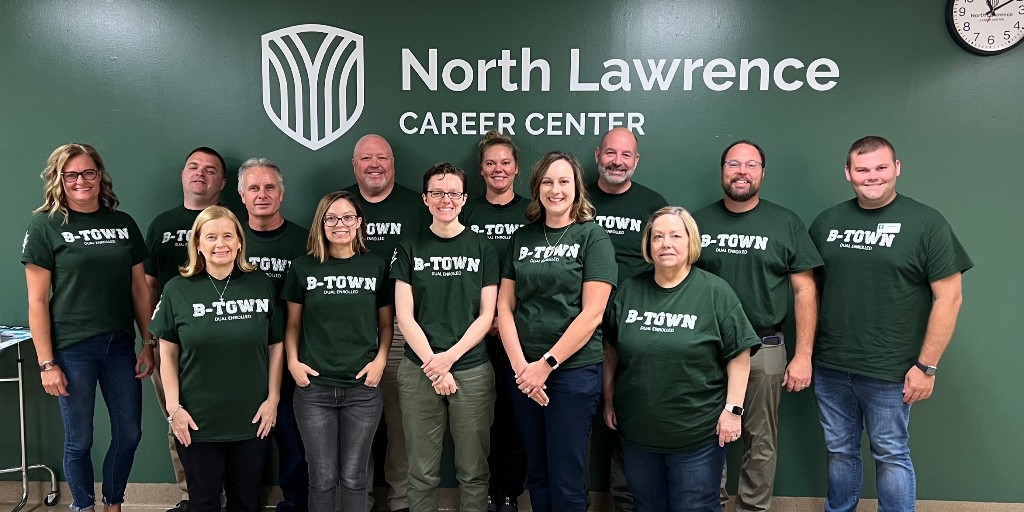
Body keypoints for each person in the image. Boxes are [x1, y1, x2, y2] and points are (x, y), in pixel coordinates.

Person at [808, 136, 972, 512]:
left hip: (892, 369)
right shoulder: (827, 222)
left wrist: (926, 366)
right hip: (832, 365)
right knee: (838, 452)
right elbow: (808, 293)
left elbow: (950, 297)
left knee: (891, 454)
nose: (872, 177)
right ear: (848, 173)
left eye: (881, 168)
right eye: (862, 169)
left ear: (897, 168)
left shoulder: (927, 223)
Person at [22, 143, 155, 512]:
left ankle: (113, 504)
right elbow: (36, 301)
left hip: (120, 345)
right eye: (71, 175)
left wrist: (149, 341)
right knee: (79, 440)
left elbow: (139, 289)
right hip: (72, 349)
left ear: (100, 176)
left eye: (88, 173)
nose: (81, 181)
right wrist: (46, 363)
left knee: (129, 434)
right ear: (59, 180)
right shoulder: (45, 226)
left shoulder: (122, 223)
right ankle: (84, 506)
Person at [691, 140, 822, 512]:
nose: (742, 171)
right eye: (734, 163)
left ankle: (753, 509)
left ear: (763, 173)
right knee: (704, 437)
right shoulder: (697, 223)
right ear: (722, 171)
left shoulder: (786, 222)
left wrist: (803, 356)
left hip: (765, 349)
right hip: (706, 350)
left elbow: (805, 290)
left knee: (760, 440)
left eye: (751, 164)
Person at [603, 206, 759, 512]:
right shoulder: (629, 291)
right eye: (658, 236)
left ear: (691, 242)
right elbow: (610, 352)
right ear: (648, 244)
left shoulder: (715, 292)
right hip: (638, 434)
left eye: (676, 235)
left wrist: (733, 411)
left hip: (697, 436)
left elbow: (739, 353)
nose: (666, 243)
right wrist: (608, 401)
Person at [496, 151, 617, 512]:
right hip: (523, 373)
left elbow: (593, 313)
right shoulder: (522, 237)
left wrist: (545, 365)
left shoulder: (592, 237)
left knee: (566, 475)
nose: (556, 189)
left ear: (577, 189)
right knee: (536, 471)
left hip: (572, 373)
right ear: (537, 189)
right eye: (548, 181)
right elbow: (505, 306)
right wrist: (522, 368)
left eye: (564, 181)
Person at [150, 206, 284, 512]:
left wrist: (273, 399)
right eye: (211, 236)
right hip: (198, 420)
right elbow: (167, 352)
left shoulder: (260, 284)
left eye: (228, 235)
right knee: (204, 503)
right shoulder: (176, 290)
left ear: (239, 242)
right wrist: (174, 409)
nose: (220, 243)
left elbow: (276, 345)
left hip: (252, 419)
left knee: (246, 502)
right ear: (197, 243)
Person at [392, 163, 499, 512]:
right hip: (418, 370)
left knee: (473, 471)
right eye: (437, 192)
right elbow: (404, 316)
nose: (445, 199)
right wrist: (434, 365)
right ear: (425, 199)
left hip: (470, 370)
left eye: (453, 193)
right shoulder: (409, 246)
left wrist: (448, 360)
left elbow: (487, 316)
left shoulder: (483, 247)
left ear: (464, 198)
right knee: (420, 472)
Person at [282, 190, 392, 512]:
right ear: (321, 224)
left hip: (363, 388)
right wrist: (293, 362)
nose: (339, 224)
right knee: (322, 477)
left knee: (355, 478)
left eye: (347, 217)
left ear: (358, 223)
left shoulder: (375, 266)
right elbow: (292, 325)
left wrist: (380, 361)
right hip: (314, 388)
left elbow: (386, 324)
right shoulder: (303, 268)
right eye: (331, 218)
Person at [586, 127, 667, 512]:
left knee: (627, 421)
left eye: (626, 155)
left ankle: (629, 503)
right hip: (579, 329)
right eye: (611, 153)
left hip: (635, 331)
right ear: (598, 154)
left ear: (636, 161)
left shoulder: (653, 203)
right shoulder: (575, 196)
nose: (617, 161)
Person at [344, 133, 427, 512]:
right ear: (354, 166)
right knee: (354, 428)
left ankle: (401, 503)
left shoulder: (417, 205)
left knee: (401, 424)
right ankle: (358, 501)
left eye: (382, 157)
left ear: (393, 163)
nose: (374, 164)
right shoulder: (338, 205)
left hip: (402, 330)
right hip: (349, 333)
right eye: (366, 159)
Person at [144, 146, 227, 512]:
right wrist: (148, 341)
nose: (200, 173)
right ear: (182, 175)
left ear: (222, 183)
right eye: (193, 166)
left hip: (225, 338)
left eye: (210, 170)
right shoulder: (162, 224)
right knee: (177, 417)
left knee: (228, 417)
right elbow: (147, 287)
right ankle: (190, 496)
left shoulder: (229, 223)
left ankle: (228, 495)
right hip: (171, 342)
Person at [460, 131, 528, 512]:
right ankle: (484, 491)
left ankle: (509, 494)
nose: (498, 169)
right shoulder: (467, 211)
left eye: (505, 162)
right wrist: (484, 320)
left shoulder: (532, 212)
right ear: (481, 170)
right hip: (474, 334)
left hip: (518, 334)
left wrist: (506, 319)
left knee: (514, 419)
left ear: (516, 169)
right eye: (490, 163)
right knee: (480, 419)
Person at [237, 158, 310, 512]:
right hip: (244, 357)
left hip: (295, 354)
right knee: (244, 437)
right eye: (254, 187)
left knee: (293, 438)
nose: (262, 194)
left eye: (269, 187)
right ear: (241, 195)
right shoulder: (227, 240)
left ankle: (295, 502)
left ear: (282, 193)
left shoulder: (305, 241)